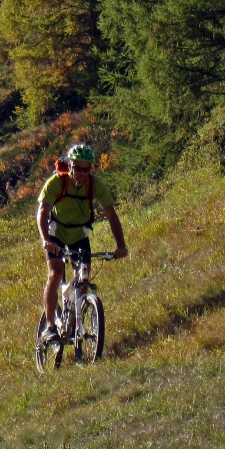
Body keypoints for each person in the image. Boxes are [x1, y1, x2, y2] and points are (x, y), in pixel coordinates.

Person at [37, 143, 128, 341]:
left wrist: (121, 245)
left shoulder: (95, 185)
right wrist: (46, 240)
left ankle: (76, 318)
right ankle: (50, 326)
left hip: (79, 235)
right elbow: (43, 212)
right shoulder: (56, 183)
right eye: (78, 168)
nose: (82, 173)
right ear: (70, 166)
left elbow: (111, 214)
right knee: (55, 274)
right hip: (56, 235)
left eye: (86, 169)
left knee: (83, 279)